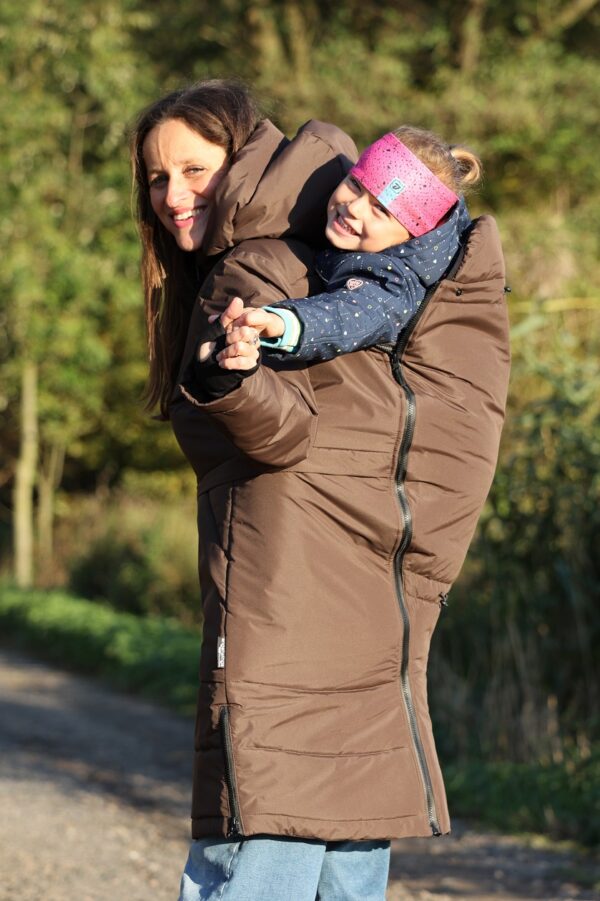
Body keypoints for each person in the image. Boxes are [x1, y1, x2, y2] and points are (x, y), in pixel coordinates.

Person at [132, 79, 511, 901]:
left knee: (264, 838)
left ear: (240, 162)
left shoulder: (267, 265)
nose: (172, 196)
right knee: (342, 849)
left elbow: (289, 430)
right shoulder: (326, 255)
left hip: (291, 590)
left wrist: (232, 372)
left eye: (194, 170)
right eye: (157, 179)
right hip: (368, 585)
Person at [212, 127, 480, 367]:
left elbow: (350, 315)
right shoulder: (361, 241)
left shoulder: (393, 282)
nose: (353, 207)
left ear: (412, 235)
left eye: (380, 210)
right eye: (355, 184)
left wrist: (282, 323)